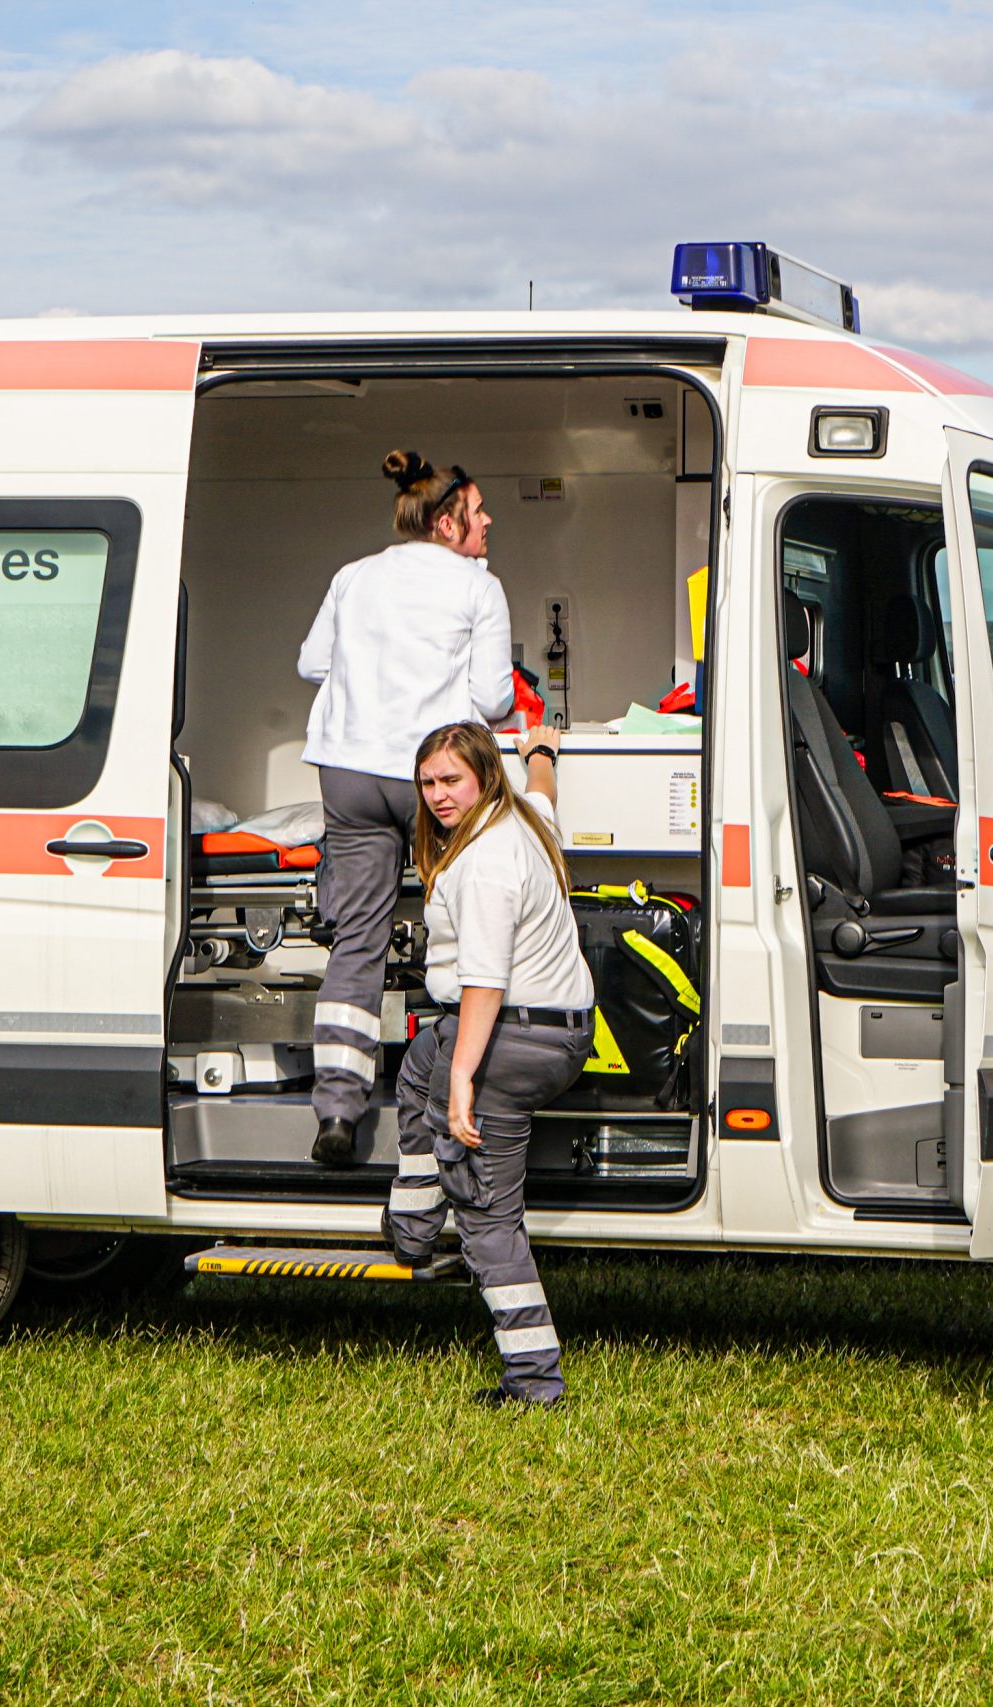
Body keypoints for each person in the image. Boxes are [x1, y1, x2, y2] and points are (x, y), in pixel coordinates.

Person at [297, 451, 514, 1168]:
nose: (488, 521)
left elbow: (311, 663)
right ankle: (457, 1084)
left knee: (357, 938)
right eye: (478, 511)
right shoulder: (478, 587)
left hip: (349, 773)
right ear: (448, 523)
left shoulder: (353, 575)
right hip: (429, 778)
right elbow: (494, 699)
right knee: (458, 921)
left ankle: (337, 1108)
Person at [385, 720, 591, 1408]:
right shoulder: (522, 817)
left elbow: (484, 981)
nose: (438, 795)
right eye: (427, 783)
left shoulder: (485, 863)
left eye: (451, 780)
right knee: (419, 1062)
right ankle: (413, 1224)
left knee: (486, 1212)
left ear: (484, 777)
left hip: (512, 1036)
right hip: (557, 1031)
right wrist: (542, 752)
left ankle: (533, 1380)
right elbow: (545, 793)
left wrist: (463, 1080)